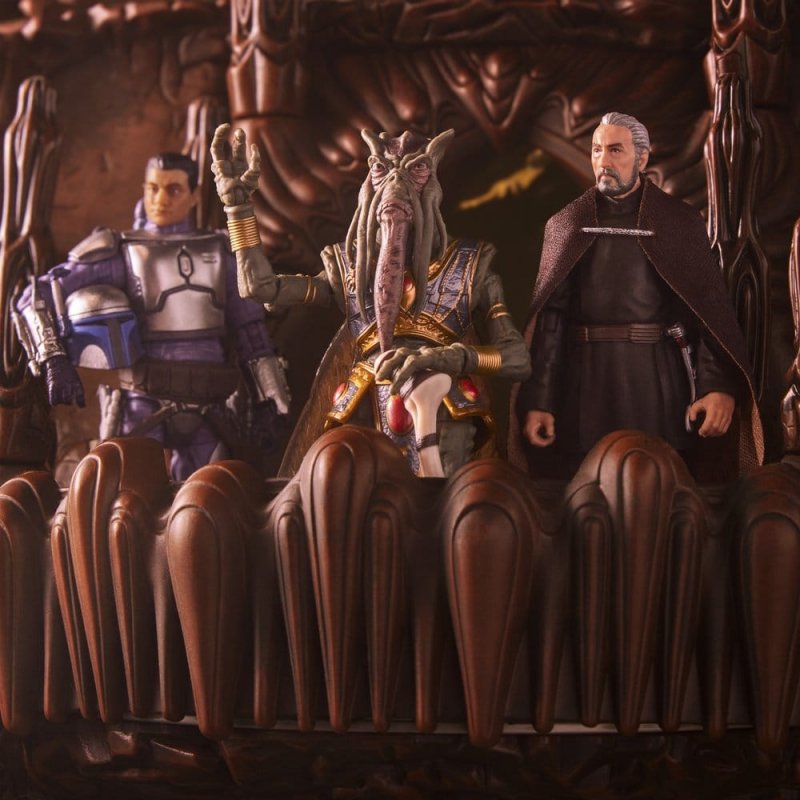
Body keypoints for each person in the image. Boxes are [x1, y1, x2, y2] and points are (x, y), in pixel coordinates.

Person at [211, 125, 531, 477]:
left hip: (445, 404)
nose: (396, 183)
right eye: (381, 169)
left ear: (433, 181)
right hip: (360, 408)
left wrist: (451, 357)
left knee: (438, 495)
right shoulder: (348, 268)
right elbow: (260, 288)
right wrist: (238, 208)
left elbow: (516, 357)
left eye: (416, 170)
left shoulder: (471, 266)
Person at [511, 112, 763, 478]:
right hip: (584, 386)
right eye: (597, 150)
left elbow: (705, 314)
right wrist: (540, 400)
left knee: (660, 479)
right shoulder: (568, 224)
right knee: (583, 485)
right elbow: (551, 322)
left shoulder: (677, 223)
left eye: (615, 150)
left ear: (642, 158)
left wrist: (715, 386)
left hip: (657, 384)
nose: (604, 161)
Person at [14, 152, 289, 481]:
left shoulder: (221, 251)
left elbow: (251, 333)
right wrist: (54, 360)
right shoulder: (119, 251)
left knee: (211, 497)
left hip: (211, 408)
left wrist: (271, 399)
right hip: (141, 403)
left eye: (173, 190)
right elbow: (35, 296)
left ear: (194, 195)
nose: (161, 199)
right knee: (129, 493)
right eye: (153, 188)